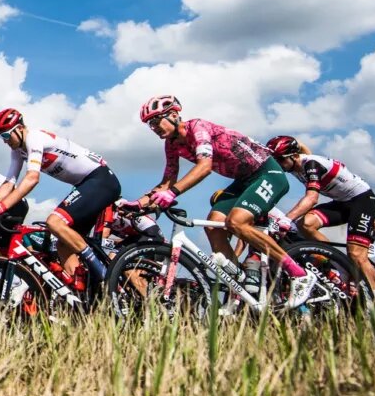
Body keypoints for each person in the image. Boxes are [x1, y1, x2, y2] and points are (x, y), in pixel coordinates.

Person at [135, 95, 314, 309]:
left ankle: (299, 274)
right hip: (245, 181)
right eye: (150, 125)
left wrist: (173, 193)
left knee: (237, 222)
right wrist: (138, 204)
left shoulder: (197, 128)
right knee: (213, 226)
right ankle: (241, 284)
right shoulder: (172, 144)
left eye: (156, 121)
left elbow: (205, 166)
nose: (154, 128)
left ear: (174, 115)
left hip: (268, 172)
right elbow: (167, 180)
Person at [0, 108, 121, 285]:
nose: (4, 141)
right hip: (85, 184)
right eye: (0, 137)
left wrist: (3, 207)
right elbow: (9, 183)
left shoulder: (34, 138)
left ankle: (104, 275)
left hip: (100, 179)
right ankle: (83, 294)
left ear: (18, 128)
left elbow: (32, 178)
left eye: (5, 135)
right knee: (63, 245)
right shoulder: (18, 151)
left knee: (54, 222)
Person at [268, 136, 375, 321]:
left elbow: (312, 199)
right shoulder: (297, 162)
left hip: (362, 201)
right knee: (306, 224)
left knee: (357, 255)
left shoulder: (311, 165)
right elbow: (301, 146)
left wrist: (285, 219)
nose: (280, 165)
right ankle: (340, 262)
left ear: (293, 156)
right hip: (343, 203)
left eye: (281, 160)